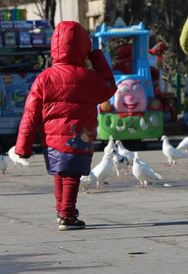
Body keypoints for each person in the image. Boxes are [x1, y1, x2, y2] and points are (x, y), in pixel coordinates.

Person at [15, 21, 117, 231]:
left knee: (60, 173)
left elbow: (30, 113)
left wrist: (22, 147)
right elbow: (109, 86)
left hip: (52, 138)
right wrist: (96, 56)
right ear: (83, 48)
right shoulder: (89, 78)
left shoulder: (44, 78)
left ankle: (61, 210)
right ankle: (68, 215)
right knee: (72, 174)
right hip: (80, 135)